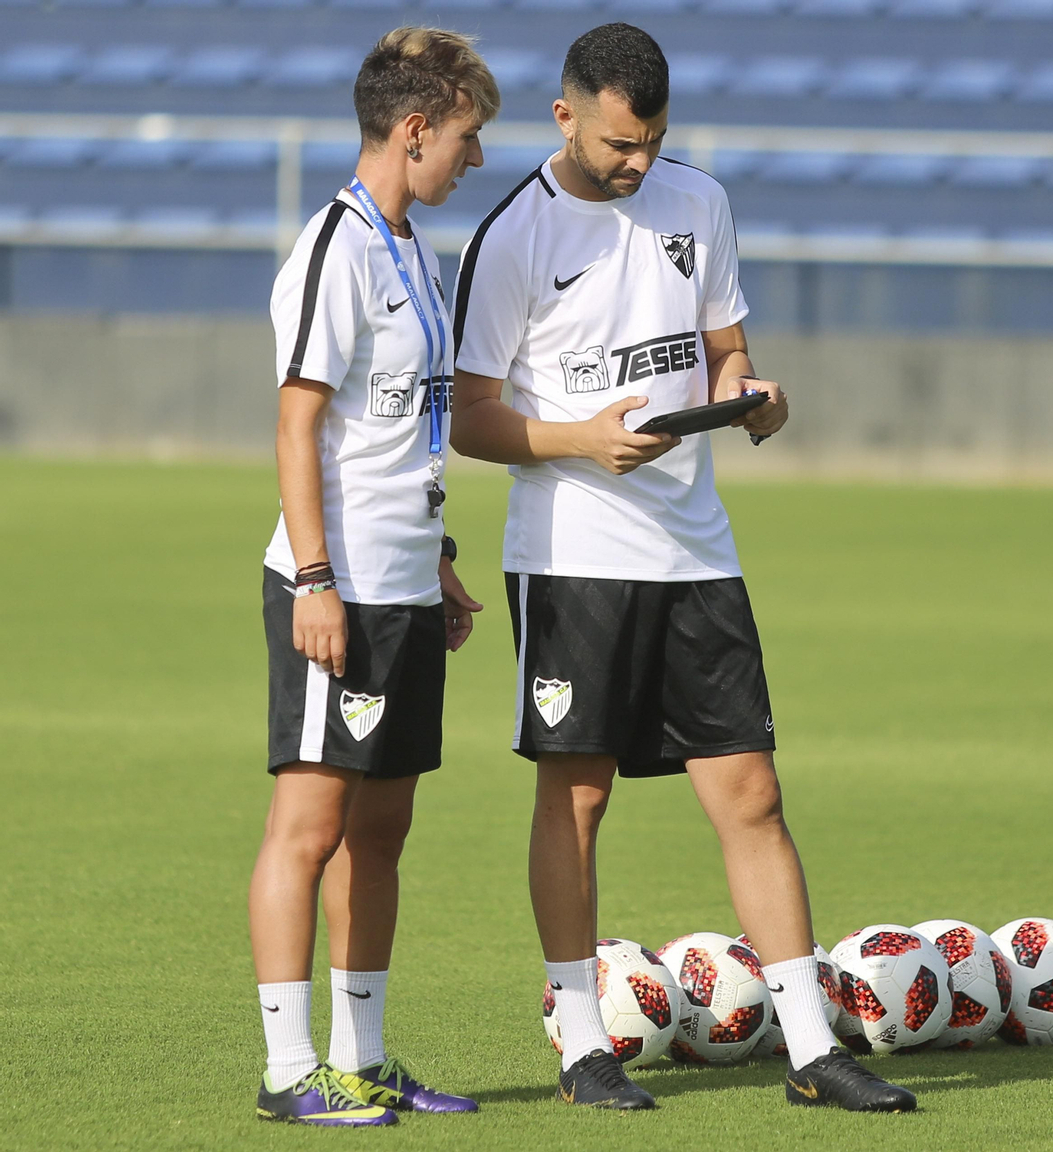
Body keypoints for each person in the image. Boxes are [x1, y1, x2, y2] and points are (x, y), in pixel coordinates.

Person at [450, 22, 915, 1113]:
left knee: (751, 789)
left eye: (654, 140)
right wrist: (582, 440)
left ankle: (811, 1049)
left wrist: (752, 391)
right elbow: (470, 421)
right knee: (577, 797)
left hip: (693, 545)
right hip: (570, 556)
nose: (639, 162)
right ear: (565, 116)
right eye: (619, 142)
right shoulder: (511, 235)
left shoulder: (697, 205)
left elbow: (724, 347)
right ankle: (580, 1046)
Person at [248, 27, 499, 1127]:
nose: (471, 160)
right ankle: (286, 1068)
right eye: (464, 138)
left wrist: (436, 560)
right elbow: (296, 427)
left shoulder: (417, 253)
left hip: (401, 586)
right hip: (333, 587)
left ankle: (362, 1054)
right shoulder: (332, 251)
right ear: (412, 131)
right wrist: (315, 580)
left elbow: (407, 436)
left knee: (382, 831)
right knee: (307, 828)